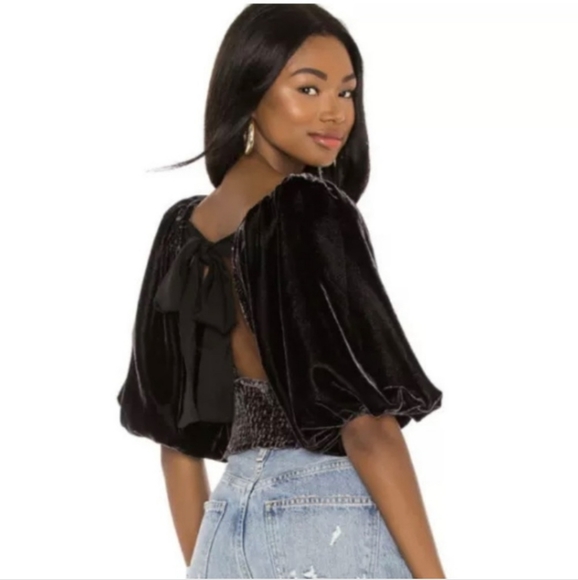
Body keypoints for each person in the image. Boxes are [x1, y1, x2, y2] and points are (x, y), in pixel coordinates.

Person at [117, 4, 445, 578]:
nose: (334, 112)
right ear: (251, 90)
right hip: (327, 513)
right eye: (308, 88)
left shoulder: (183, 232)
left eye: (346, 92)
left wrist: (209, 565)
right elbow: (367, 428)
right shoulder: (308, 207)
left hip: (226, 522)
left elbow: (176, 445)